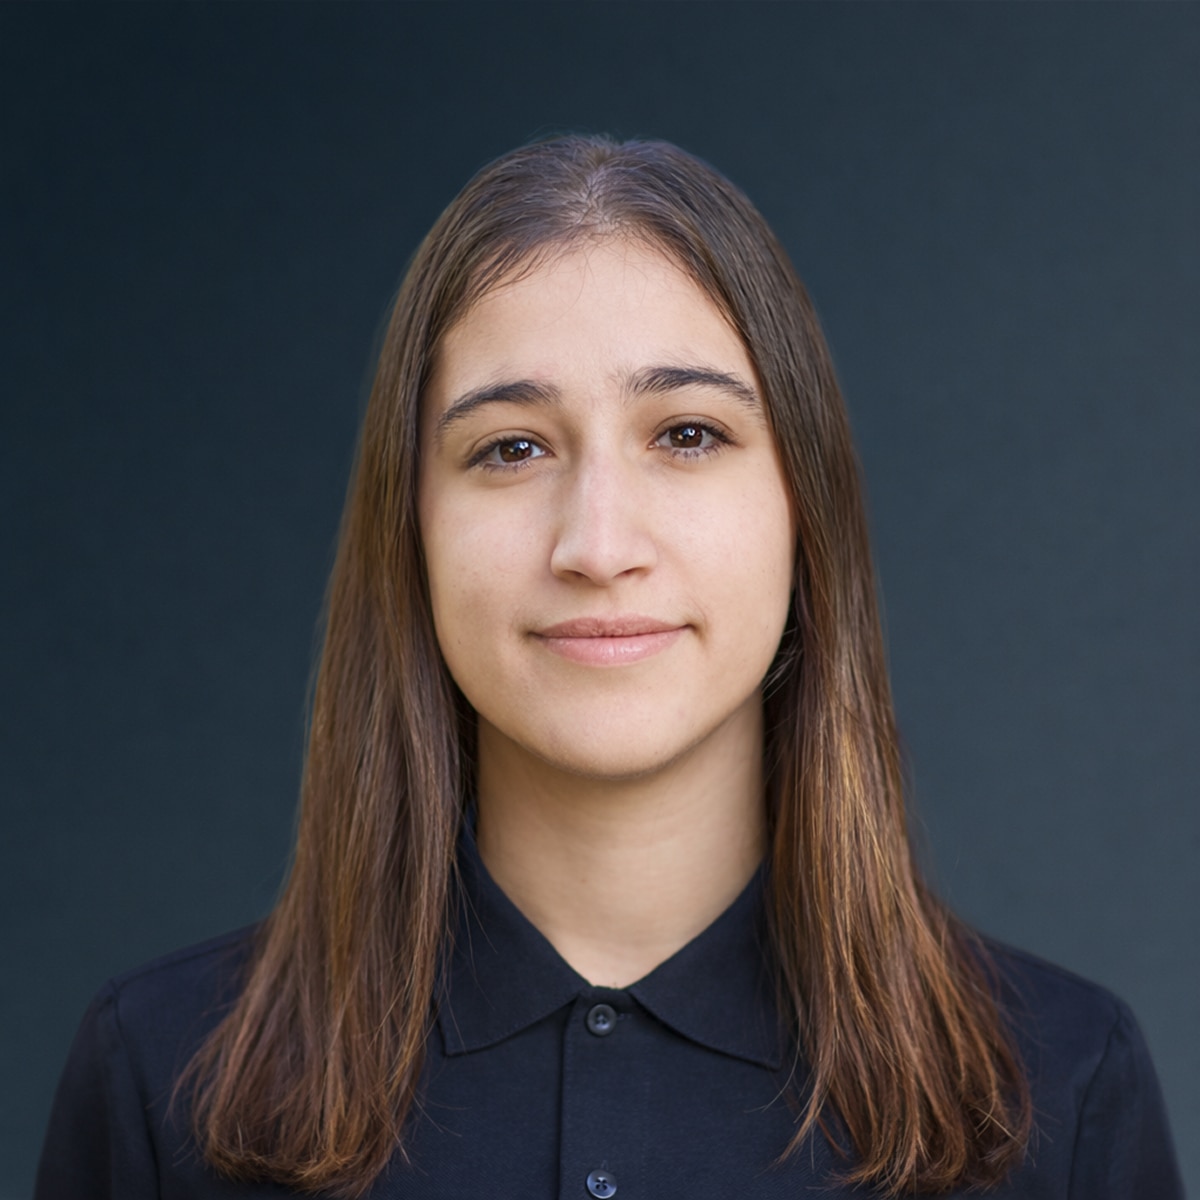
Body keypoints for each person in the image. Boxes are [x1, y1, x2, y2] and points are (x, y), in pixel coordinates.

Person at [35, 135, 1183, 1200]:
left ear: (804, 509)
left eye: (687, 434)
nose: (596, 546)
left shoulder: (1054, 1095)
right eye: (511, 448)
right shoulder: (166, 1085)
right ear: (412, 530)